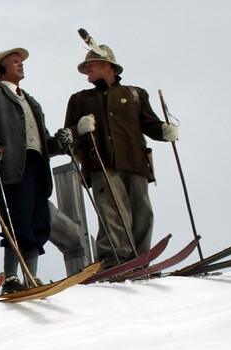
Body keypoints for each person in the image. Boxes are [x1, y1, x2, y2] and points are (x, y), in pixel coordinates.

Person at [62, 43, 178, 268]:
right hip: (101, 164)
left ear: (107, 65)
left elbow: (150, 124)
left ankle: (140, 260)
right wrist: (78, 129)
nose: (87, 70)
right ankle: (112, 262)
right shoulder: (79, 99)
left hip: (135, 163)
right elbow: (66, 138)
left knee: (142, 212)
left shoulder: (135, 94)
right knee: (112, 214)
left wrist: (165, 130)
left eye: (90, 65)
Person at [0, 48, 68, 294]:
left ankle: (31, 276)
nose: (21, 65)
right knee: (15, 221)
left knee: (38, 221)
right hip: (10, 167)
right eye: (15, 61)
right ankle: (12, 277)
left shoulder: (33, 102)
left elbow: (43, 141)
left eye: (21, 62)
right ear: (1, 68)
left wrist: (61, 142)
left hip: (36, 167)